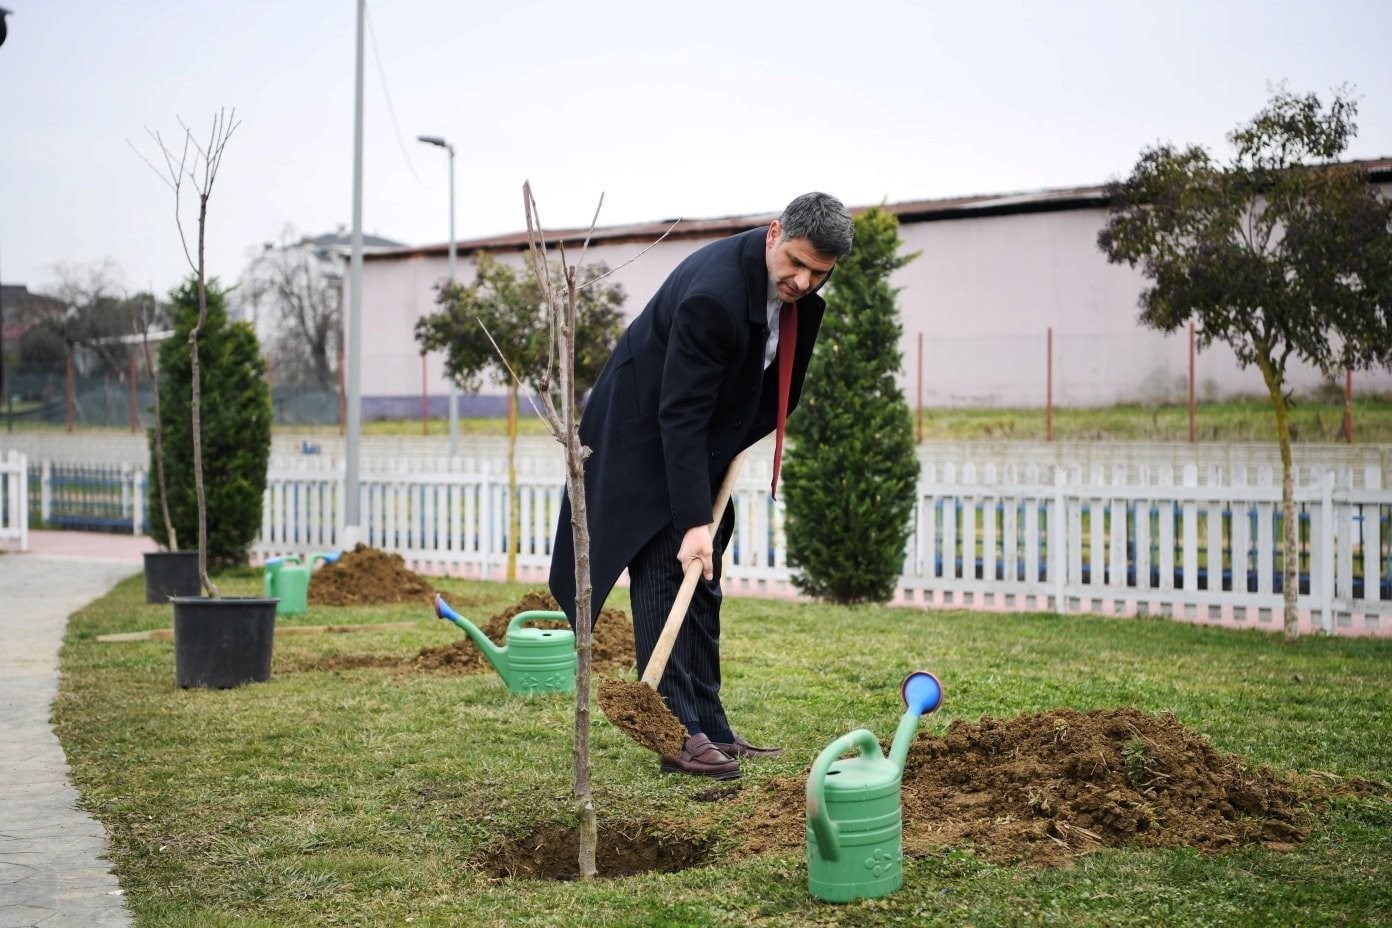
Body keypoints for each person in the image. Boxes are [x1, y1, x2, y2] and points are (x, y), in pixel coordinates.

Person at [550, 192, 854, 779]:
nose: (802, 280)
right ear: (773, 233)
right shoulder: (715, 295)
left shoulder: (790, 294)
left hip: (695, 441)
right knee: (670, 563)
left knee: (702, 577)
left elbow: (762, 388)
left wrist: (709, 502)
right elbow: (679, 413)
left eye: (819, 273)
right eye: (795, 262)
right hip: (646, 440)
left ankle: (709, 725)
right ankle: (677, 732)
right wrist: (692, 520)